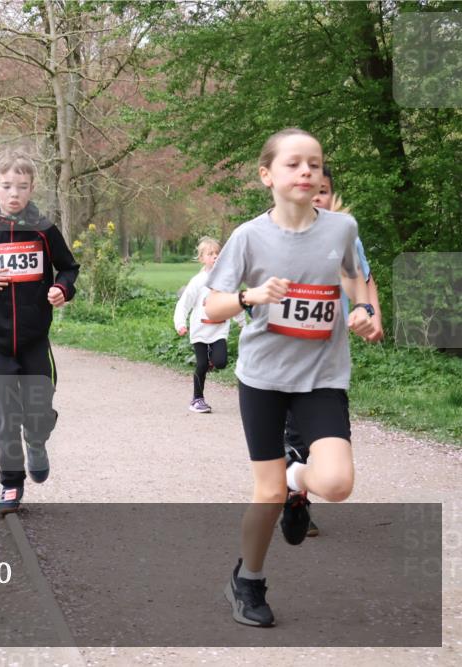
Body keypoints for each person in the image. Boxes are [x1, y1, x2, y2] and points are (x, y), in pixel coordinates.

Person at [204, 128, 377, 628]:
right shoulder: (248, 236)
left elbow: (353, 276)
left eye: (315, 165)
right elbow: (213, 306)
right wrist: (249, 297)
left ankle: (298, 480)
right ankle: (248, 580)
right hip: (263, 378)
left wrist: (363, 308)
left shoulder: (342, 228)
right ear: (267, 176)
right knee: (267, 493)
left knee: (338, 484)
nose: (307, 172)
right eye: (294, 164)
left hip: (322, 375)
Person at [0, 150, 80, 515]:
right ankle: (10, 484)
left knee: (37, 411)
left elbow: (68, 268)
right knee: (6, 415)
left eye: (22, 187)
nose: (14, 194)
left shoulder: (44, 229)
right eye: (7, 186)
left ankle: (37, 439)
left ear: (32, 187)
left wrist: (61, 289)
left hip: (36, 339)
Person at [282, 164, 385, 538]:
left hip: (332, 356)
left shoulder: (346, 235)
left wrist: (372, 317)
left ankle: (296, 481)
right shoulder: (280, 234)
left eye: (323, 190)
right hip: (291, 353)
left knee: (332, 440)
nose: (316, 196)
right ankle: (297, 500)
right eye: (310, 189)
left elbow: (365, 279)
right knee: (297, 434)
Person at [173, 236, 244, 413]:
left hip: (219, 329)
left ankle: (212, 361)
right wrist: (180, 323)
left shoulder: (226, 280)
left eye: (217, 254)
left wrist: (242, 323)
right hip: (199, 330)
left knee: (220, 362)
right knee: (201, 365)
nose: (215, 257)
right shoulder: (197, 281)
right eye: (210, 254)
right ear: (202, 258)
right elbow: (185, 303)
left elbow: (235, 301)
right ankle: (197, 399)